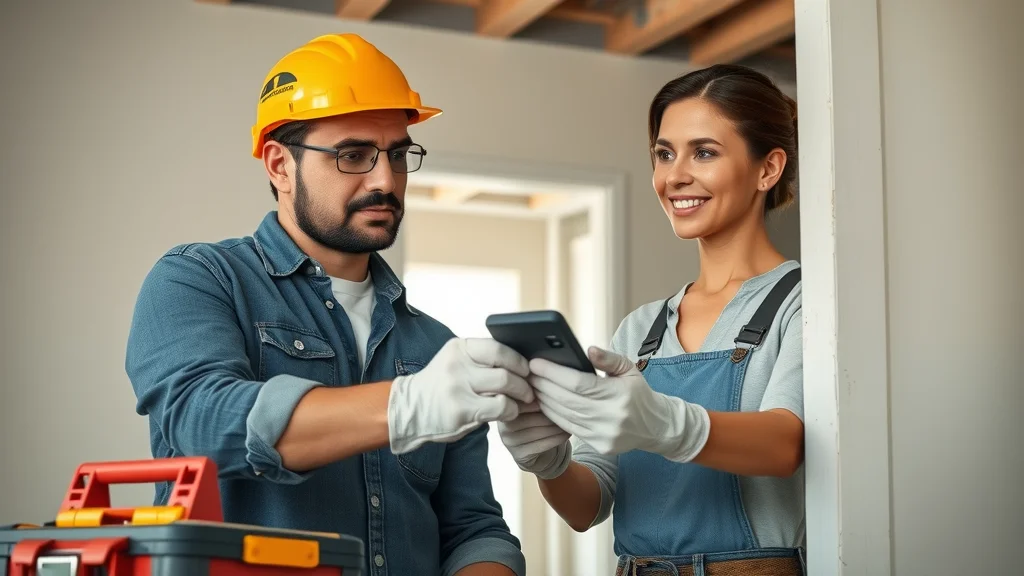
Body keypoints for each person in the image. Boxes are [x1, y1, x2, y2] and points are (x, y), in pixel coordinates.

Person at [125, 33, 529, 576]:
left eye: (398, 154)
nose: (386, 180)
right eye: (353, 155)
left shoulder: (435, 347)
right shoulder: (200, 279)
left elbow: (473, 530)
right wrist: (405, 404)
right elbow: (200, 424)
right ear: (279, 165)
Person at [498, 64, 806, 575]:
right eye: (664, 154)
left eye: (703, 152)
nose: (674, 176)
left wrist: (666, 424)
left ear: (767, 169)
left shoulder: (802, 303)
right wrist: (549, 464)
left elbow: (783, 443)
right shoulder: (641, 330)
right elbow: (587, 507)